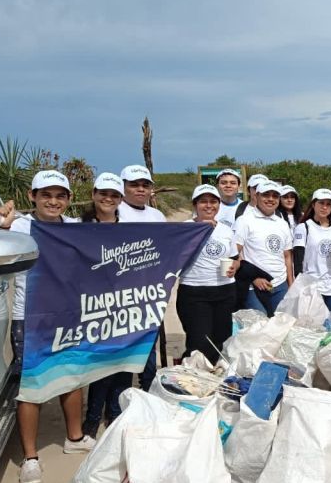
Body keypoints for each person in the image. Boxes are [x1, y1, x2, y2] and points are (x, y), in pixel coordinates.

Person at [11, 170, 94, 483]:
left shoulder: (75, 228)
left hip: (69, 314)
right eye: (46, 195)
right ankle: (31, 458)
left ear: (69, 200)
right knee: (31, 386)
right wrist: (3, 219)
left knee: (72, 378)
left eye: (60, 196)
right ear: (32, 196)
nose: (53, 201)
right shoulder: (19, 226)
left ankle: (74, 436)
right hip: (30, 317)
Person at [80, 173, 131, 439]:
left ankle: (115, 412)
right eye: (103, 193)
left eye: (114, 195)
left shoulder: (128, 229)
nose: (108, 199)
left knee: (123, 361)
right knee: (100, 364)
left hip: (126, 303)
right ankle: (92, 418)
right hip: (94, 306)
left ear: (120, 199)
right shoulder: (78, 228)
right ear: (94, 194)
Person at [177, 185, 239, 363]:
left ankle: (212, 383)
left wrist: (235, 266)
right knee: (199, 344)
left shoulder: (226, 230)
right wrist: (199, 230)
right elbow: (176, 257)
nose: (209, 206)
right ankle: (192, 382)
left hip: (225, 290)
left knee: (221, 341)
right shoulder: (184, 228)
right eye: (203, 201)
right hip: (194, 291)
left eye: (213, 201)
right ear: (195, 204)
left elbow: (235, 257)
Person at [117, 164, 166, 390]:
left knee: (148, 347)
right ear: (123, 186)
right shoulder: (114, 211)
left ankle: (147, 392)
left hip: (151, 293)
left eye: (145, 185)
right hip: (119, 294)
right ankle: (119, 399)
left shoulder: (157, 216)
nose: (140, 190)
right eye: (134, 185)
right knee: (122, 351)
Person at [234, 180, 293, 316]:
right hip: (253, 286)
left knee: (279, 327)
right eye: (266, 195)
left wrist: (291, 284)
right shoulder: (244, 221)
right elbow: (235, 254)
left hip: (279, 285)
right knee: (259, 328)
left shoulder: (282, 223)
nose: (270, 199)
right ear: (256, 196)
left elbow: (287, 256)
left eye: (275, 196)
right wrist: (253, 277)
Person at [292, 188, 331, 313]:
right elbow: (298, 258)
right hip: (312, 285)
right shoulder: (304, 227)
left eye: (328, 204)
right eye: (321, 203)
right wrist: (300, 284)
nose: (324, 207)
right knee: (313, 327)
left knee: (330, 324)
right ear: (313, 204)